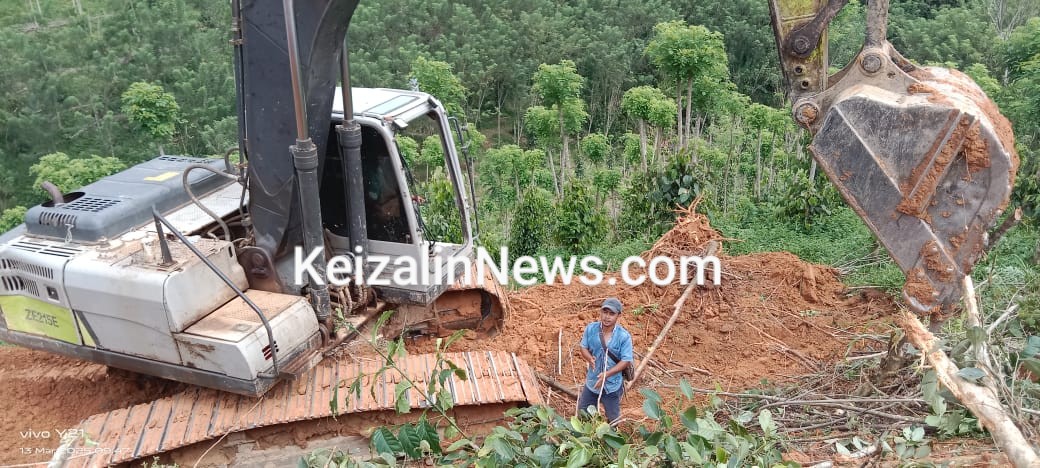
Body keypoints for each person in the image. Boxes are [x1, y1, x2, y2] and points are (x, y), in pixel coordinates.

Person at [577, 297, 633, 423]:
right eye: (605, 312)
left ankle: (613, 436)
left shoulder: (623, 336)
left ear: (618, 315)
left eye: (611, 313)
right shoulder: (591, 329)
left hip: (612, 385)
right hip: (592, 382)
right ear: (601, 312)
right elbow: (583, 347)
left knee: (613, 418)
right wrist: (589, 358)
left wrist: (607, 375)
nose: (607, 317)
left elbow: (626, 360)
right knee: (583, 413)